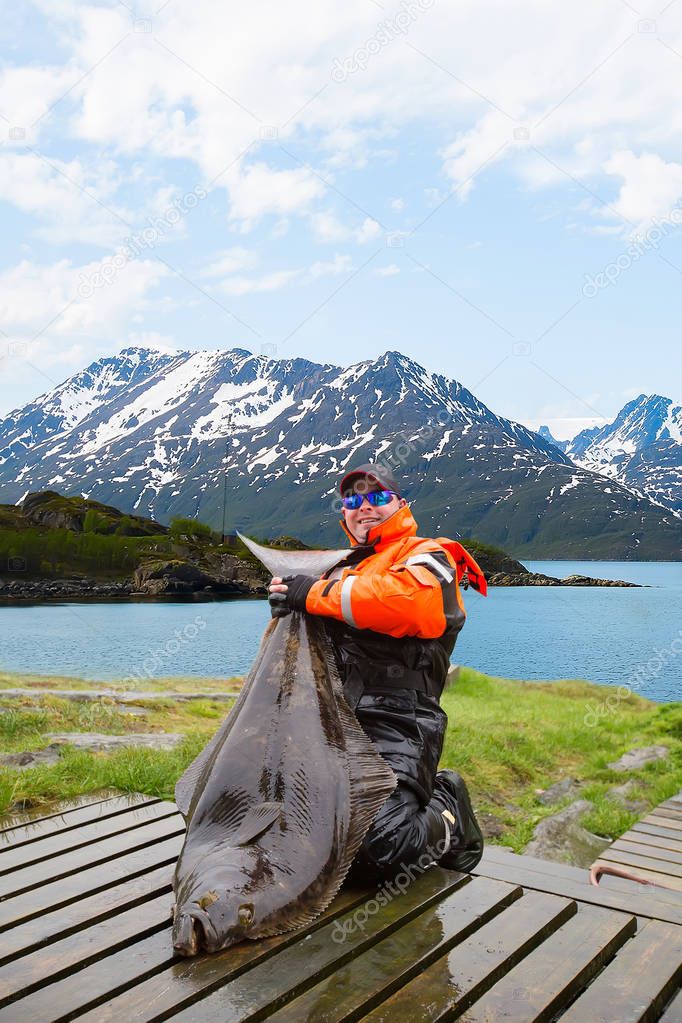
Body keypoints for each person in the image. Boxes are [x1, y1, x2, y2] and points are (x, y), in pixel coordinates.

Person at [268, 463, 485, 882]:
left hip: (400, 720)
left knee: (383, 845)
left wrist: (312, 593)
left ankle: (448, 802)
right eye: (353, 500)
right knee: (295, 832)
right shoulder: (337, 569)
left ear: (401, 505)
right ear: (343, 512)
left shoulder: (429, 554)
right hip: (331, 720)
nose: (364, 506)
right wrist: (287, 607)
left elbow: (410, 603)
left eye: (378, 497)